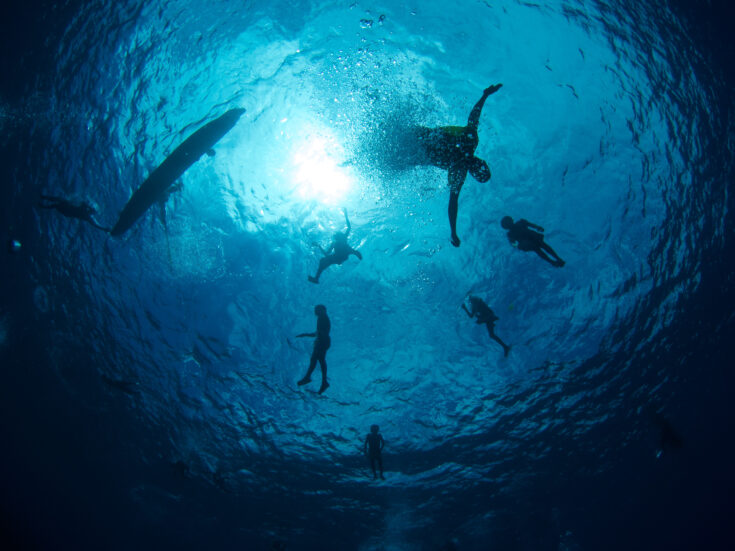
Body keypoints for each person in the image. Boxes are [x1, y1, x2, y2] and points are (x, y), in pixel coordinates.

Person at [410, 84, 502, 247]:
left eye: (477, 171)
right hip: (423, 136)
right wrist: (484, 96)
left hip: (416, 155)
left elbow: (453, 203)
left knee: (400, 156)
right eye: (481, 167)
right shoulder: (471, 139)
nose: (477, 166)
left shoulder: (460, 172)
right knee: (404, 135)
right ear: (482, 162)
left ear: (474, 173)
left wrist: (453, 231)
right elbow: (474, 117)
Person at [308, 208, 362, 283]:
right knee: (323, 260)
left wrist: (346, 215)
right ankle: (316, 278)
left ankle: (356, 254)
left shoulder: (343, 238)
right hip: (338, 258)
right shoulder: (335, 242)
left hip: (343, 255)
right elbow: (326, 254)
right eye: (338, 237)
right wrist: (318, 245)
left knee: (349, 250)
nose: (339, 238)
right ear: (337, 238)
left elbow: (349, 227)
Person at [500, 216, 565, 267]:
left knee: (543, 247)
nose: (509, 224)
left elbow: (531, 225)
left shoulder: (520, 223)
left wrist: (538, 227)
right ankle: (552, 261)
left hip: (533, 237)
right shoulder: (510, 234)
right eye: (507, 224)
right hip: (527, 243)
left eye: (508, 222)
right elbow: (512, 244)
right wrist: (518, 246)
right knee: (539, 250)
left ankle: (557, 259)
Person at [296, 305, 331, 394]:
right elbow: (318, 333)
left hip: (322, 342)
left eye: (317, 309)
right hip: (322, 341)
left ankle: (314, 379)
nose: (315, 311)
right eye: (315, 310)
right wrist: (305, 334)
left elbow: (322, 333)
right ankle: (322, 382)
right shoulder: (321, 318)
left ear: (323, 310)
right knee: (317, 359)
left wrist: (319, 342)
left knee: (318, 359)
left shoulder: (323, 317)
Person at [37, 194, 110, 231]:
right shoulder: (86, 207)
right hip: (69, 208)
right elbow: (82, 199)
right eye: (91, 208)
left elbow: (96, 225)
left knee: (56, 205)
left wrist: (104, 228)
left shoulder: (89, 217)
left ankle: (43, 205)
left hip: (68, 212)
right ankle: (44, 198)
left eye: (91, 209)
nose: (90, 208)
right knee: (58, 200)